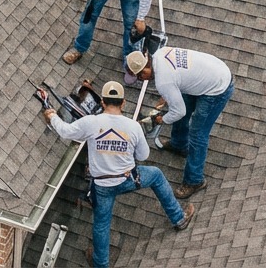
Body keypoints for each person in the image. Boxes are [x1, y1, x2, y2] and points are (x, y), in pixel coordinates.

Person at [41, 80, 196, 268]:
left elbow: (65, 131)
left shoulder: (91, 123)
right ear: (123, 103)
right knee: (155, 174)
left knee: (101, 223)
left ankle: (101, 263)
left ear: (103, 103)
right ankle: (178, 218)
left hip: (102, 186)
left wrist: (52, 116)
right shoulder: (133, 127)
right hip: (128, 180)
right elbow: (143, 155)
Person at [126, 47, 234, 200]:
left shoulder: (163, 81)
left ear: (145, 69)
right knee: (180, 103)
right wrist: (167, 97)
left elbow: (179, 112)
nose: (141, 80)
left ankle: (195, 180)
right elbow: (176, 79)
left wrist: (161, 120)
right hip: (212, 73)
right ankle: (179, 144)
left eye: (139, 77)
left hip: (217, 89)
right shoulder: (160, 53)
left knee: (198, 135)